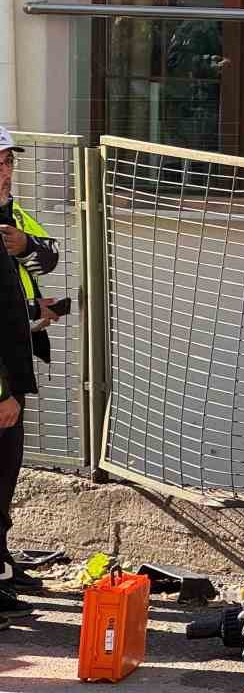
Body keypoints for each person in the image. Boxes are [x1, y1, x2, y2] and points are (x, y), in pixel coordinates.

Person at [0, 129, 62, 619]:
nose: (5, 171)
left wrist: (23, 247)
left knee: (6, 475)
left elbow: (49, 255)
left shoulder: (12, 214)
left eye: (7, 162)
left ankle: (1, 566)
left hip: (14, 363)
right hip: (3, 376)